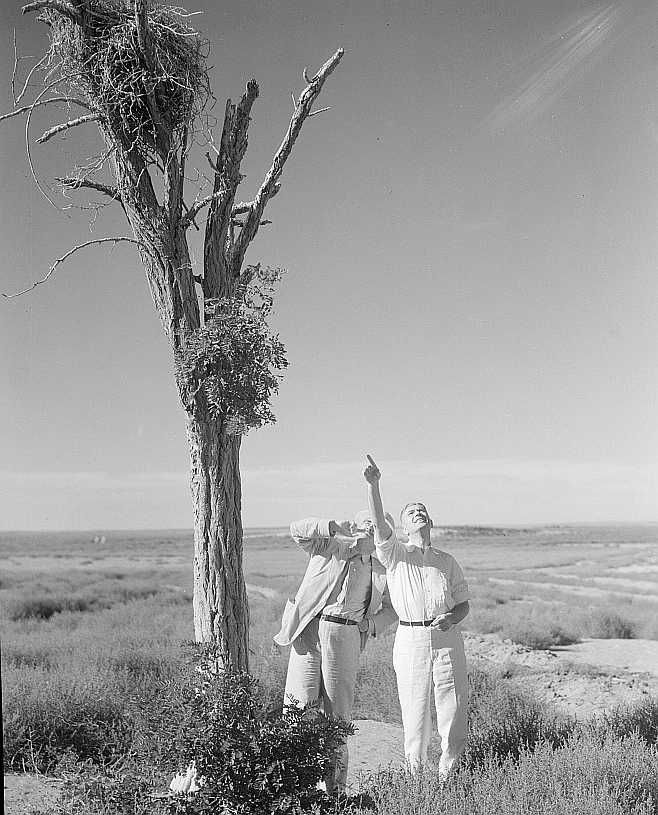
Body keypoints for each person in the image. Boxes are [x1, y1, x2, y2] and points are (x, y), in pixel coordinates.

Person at [273, 511, 397, 794]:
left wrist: (371, 623)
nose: (368, 526)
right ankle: (295, 788)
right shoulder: (329, 546)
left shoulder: (381, 568)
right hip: (309, 632)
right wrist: (332, 527)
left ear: (382, 532)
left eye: (375, 524)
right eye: (364, 521)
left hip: (346, 635)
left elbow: (392, 609)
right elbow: (297, 529)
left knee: (336, 716)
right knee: (298, 707)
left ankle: (334, 791)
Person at [363, 454, 470, 778]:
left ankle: (448, 779)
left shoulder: (446, 560)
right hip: (410, 641)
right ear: (404, 526)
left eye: (422, 510)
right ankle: (416, 782)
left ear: (431, 522)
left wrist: (452, 618)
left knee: (453, 713)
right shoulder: (396, 555)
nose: (418, 512)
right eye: (411, 512)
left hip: (447, 641)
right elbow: (380, 526)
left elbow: (464, 602)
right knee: (415, 717)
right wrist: (374, 486)